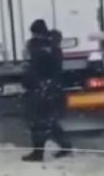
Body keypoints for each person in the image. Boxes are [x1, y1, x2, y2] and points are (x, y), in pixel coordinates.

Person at [21, 19, 72, 162]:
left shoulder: (40, 48)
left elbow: (37, 68)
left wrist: (34, 82)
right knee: (49, 120)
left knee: (39, 122)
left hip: (42, 88)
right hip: (50, 88)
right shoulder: (53, 45)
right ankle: (65, 145)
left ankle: (38, 153)